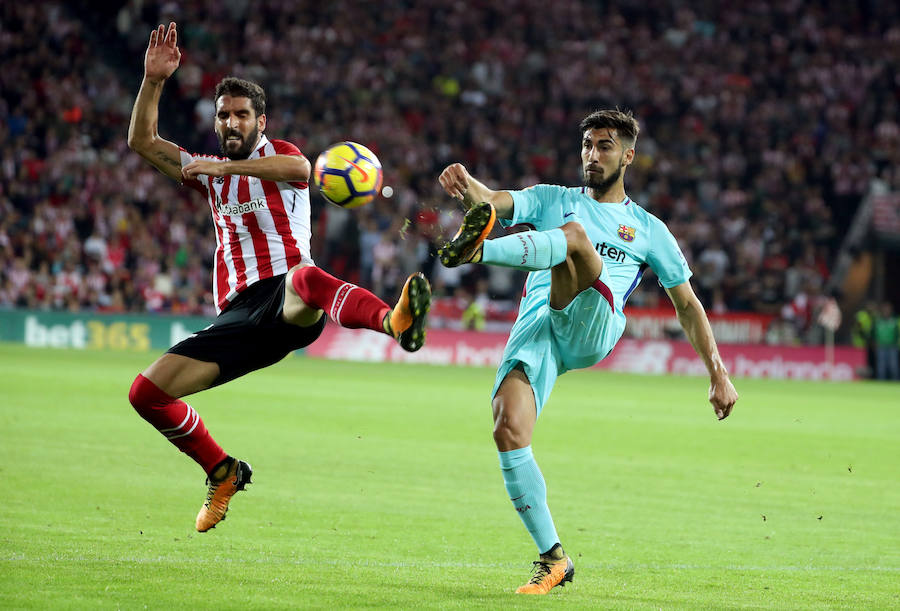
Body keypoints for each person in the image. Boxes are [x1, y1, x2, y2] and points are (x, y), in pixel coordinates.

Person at [126, 22, 431, 533]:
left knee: (306, 279)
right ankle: (222, 472)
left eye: (241, 115)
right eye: (224, 115)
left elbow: (301, 171)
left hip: (287, 297)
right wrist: (153, 81)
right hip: (239, 317)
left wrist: (221, 171)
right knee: (146, 394)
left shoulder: (278, 156)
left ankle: (394, 321)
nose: (231, 123)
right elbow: (141, 141)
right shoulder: (205, 168)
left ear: (260, 122)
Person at [437, 109, 738, 595]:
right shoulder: (553, 198)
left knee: (575, 238)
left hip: (595, 324)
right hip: (540, 327)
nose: (592, 155)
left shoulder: (647, 228)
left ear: (628, 155)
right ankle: (554, 558)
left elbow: (687, 304)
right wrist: (466, 182)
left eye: (604, 146)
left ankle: (479, 252)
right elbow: (492, 201)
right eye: (587, 146)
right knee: (507, 428)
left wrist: (717, 373)